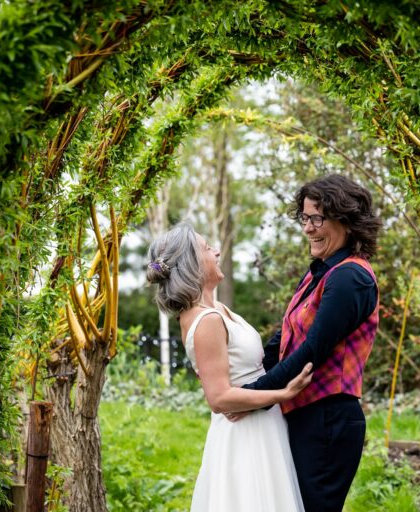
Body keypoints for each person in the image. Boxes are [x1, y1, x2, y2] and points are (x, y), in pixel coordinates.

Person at [146, 223, 312, 512]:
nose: (217, 251)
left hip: (261, 427)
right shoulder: (206, 320)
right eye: (208, 248)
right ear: (192, 263)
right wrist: (283, 394)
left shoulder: (217, 310)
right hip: (246, 437)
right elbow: (219, 398)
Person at [242, 173, 382, 512]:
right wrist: (241, 383)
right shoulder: (319, 271)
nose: (308, 228)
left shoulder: (351, 277)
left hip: (329, 421)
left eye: (317, 218)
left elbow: (312, 352)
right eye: (305, 218)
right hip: (305, 415)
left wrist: (256, 395)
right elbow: (284, 339)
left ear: (346, 220)